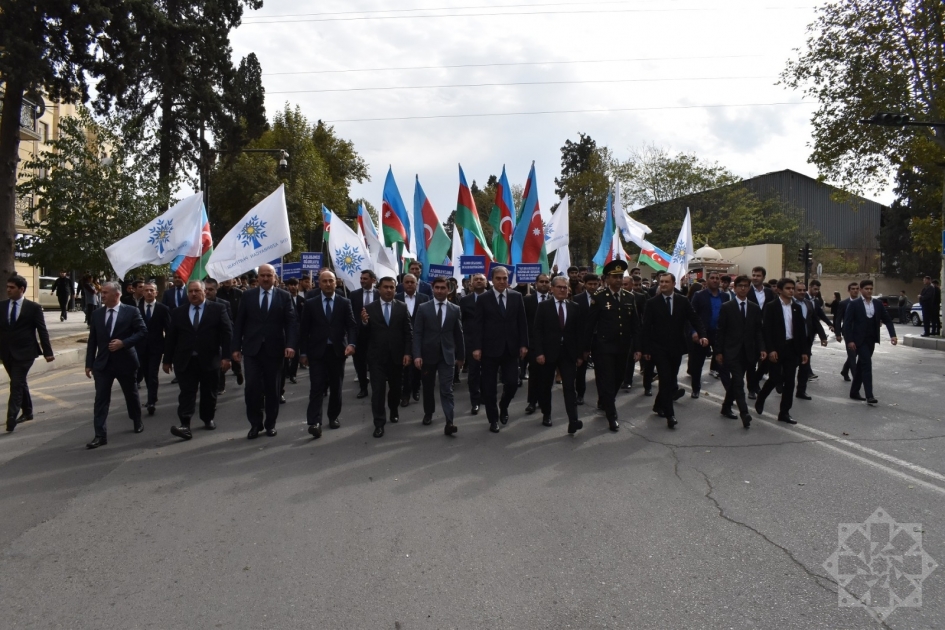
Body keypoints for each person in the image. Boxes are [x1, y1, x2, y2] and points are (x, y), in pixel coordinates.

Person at [231, 263, 299, 439]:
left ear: (274, 277)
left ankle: (270, 424)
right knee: (251, 388)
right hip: (252, 350)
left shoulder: (284, 297)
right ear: (258, 277)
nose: (266, 278)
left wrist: (290, 345)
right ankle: (255, 424)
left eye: (269, 275)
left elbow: (291, 322)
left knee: (272, 389)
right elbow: (239, 323)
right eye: (262, 275)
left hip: (274, 350)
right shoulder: (248, 296)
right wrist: (235, 347)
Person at [163, 280, 232, 440]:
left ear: (204, 292)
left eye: (197, 291)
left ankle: (207, 418)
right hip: (186, 360)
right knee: (187, 393)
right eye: (190, 291)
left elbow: (227, 334)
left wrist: (227, 357)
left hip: (210, 359)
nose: (193, 294)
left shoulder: (217, 309)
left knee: (209, 392)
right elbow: (171, 338)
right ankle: (185, 424)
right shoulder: (179, 312)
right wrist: (167, 360)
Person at [84, 281, 148, 448]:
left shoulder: (131, 311)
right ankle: (100, 435)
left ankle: (136, 419)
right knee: (101, 399)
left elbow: (142, 331)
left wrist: (124, 343)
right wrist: (89, 363)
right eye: (102, 292)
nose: (102, 295)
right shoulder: (97, 314)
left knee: (131, 394)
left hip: (125, 361)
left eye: (105, 292)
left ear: (116, 294)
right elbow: (93, 340)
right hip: (103, 364)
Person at [642, 272, 706, 429]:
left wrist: (702, 335)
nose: (662, 284)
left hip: (676, 348)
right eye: (660, 282)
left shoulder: (682, 301)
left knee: (670, 378)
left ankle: (658, 405)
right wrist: (646, 349)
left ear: (673, 283)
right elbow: (645, 328)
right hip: (659, 348)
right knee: (665, 378)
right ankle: (670, 415)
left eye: (666, 282)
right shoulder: (652, 303)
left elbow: (694, 318)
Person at [584, 260, 642, 431]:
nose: (618, 280)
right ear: (607, 278)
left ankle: (605, 399)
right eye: (614, 277)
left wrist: (638, 348)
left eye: (620, 277)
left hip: (623, 346)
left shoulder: (629, 297)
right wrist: (586, 348)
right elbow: (590, 324)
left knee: (618, 378)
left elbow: (636, 325)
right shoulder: (599, 298)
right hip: (604, 347)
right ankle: (612, 415)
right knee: (608, 379)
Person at [469, 266, 528, 433]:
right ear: (492, 280)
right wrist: (476, 347)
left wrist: (524, 344)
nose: (502, 281)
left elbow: (522, 323)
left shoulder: (517, 297)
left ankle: (504, 405)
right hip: (489, 350)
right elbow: (477, 325)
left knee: (512, 383)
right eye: (498, 279)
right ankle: (493, 419)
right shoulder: (483, 298)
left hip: (511, 349)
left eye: (504, 278)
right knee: (489, 388)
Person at [299, 270, 357, 439]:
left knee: (336, 386)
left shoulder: (344, 302)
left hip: (337, 351)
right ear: (319, 283)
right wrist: (303, 353)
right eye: (324, 281)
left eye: (330, 281)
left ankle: (333, 416)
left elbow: (351, 326)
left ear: (336, 282)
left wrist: (352, 344)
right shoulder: (311, 303)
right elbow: (304, 331)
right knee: (316, 386)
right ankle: (314, 422)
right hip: (316, 352)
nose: (327, 284)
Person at [532, 276, 584, 434]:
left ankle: (573, 420)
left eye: (565, 287)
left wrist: (580, 355)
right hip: (548, 354)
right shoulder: (544, 306)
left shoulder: (575, 307)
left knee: (569, 387)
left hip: (568, 354)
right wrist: (539, 352)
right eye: (559, 287)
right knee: (546, 386)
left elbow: (579, 333)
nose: (563, 290)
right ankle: (546, 414)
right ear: (552, 289)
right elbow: (537, 331)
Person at [1, 275, 54, 432]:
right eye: (7, 287)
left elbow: (42, 330)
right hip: (6, 353)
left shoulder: (33, 308)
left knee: (16, 383)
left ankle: (11, 417)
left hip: (26, 352)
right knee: (20, 381)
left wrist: (48, 352)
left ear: (21, 289)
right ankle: (28, 411)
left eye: (12, 287)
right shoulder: (1, 306)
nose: (8, 290)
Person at [412, 276, 464, 435]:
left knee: (446, 389)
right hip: (427, 356)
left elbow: (458, 334)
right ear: (433, 289)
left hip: (447, 355)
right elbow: (418, 333)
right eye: (437, 288)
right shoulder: (423, 308)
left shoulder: (455, 309)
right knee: (427, 388)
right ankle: (429, 413)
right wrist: (417, 355)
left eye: (443, 288)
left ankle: (450, 421)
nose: (440, 290)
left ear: (448, 290)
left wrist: (461, 356)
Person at [362, 277, 412, 438]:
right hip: (376, 358)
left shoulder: (402, 307)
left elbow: (408, 332)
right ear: (379, 289)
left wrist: (407, 353)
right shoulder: (369, 308)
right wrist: (363, 323)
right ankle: (379, 423)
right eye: (386, 287)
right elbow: (363, 335)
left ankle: (394, 409)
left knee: (395, 389)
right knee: (378, 392)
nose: (389, 290)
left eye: (392, 287)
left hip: (397, 357)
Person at [754, 278, 808, 425]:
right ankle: (761, 397)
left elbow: (801, 331)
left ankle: (784, 412)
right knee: (775, 378)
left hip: (792, 348)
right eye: (788, 288)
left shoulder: (796, 307)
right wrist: (770, 349)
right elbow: (767, 330)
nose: (791, 291)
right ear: (779, 290)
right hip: (777, 348)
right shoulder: (771, 307)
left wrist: (804, 351)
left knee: (790, 381)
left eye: (792, 288)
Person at [715, 275, 765, 428]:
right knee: (738, 381)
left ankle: (725, 407)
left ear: (749, 288)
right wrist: (718, 352)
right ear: (735, 288)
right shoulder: (727, 307)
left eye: (746, 286)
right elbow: (720, 331)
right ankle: (744, 413)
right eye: (740, 286)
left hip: (748, 352)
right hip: (731, 351)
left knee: (735, 382)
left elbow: (758, 331)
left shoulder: (754, 308)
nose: (743, 288)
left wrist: (762, 348)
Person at [844, 279, 898, 406]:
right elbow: (847, 323)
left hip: (871, 340)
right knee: (867, 365)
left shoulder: (878, 304)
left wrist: (893, 335)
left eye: (870, 289)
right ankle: (870, 396)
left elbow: (887, 320)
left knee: (861, 365)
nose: (869, 291)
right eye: (866, 289)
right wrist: (850, 340)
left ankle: (854, 391)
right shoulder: (855, 304)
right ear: (861, 290)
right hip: (859, 340)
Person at [687, 271, 730, 398]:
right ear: (707, 280)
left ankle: (730, 391)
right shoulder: (699, 295)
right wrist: (694, 332)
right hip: (702, 334)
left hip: (718, 335)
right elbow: (692, 316)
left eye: (717, 278)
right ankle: (696, 389)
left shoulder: (725, 297)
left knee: (722, 364)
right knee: (697, 364)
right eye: (712, 278)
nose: (715, 280)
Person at [136, 282, 170, 415]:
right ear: (143, 293)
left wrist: (168, 351)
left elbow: (168, 330)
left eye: (152, 290)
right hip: (141, 348)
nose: (149, 293)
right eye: (146, 290)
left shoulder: (163, 309)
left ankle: (151, 402)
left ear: (156, 293)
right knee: (145, 373)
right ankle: (153, 395)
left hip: (156, 347)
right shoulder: (136, 309)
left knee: (152, 373)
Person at [395, 273, 430, 406]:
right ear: (402, 284)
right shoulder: (396, 298)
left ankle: (416, 389)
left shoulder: (424, 298)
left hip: (420, 338)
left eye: (412, 282)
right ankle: (405, 395)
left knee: (417, 367)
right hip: (402, 339)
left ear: (416, 284)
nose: (409, 284)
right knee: (404, 368)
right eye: (407, 282)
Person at [523, 273, 552, 414]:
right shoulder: (527, 301)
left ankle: (543, 400)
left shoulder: (554, 300)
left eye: (547, 281)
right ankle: (532, 402)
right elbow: (523, 323)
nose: (544, 284)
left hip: (550, 344)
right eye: (542, 281)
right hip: (533, 343)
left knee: (546, 375)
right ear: (536, 283)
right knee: (534, 373)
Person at [793, 282, 827, 400]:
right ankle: (780, 383)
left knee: (804, 366)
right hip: (791, 341)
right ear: (793, 291)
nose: (802, 292)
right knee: (790, 366)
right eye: (799, 290)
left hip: (806, 340)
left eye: (803, 290)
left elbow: (815, 321)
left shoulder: (808, 304)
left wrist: (823, 336)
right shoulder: (789, 303)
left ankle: (801, 391)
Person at [459, 273, 487, 414]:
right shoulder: (464, 301)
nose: (478, 281)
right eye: (475, 279)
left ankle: (485, 396)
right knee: (474, 373)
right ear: (471, 283)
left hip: (489, 341)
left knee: (487, 372)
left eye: (481, 279)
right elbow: (461, 321)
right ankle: (474, 401)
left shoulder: (492, 298)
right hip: (471, 342)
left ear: (486, 282)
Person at [746, 266, 775, 398]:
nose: (755, 278)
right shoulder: (747, 291)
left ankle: (756, 381)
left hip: (767, 331)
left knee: (765, 361)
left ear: (763, 277)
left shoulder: (769, 292)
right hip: (751, 331)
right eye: (754, 275)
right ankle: (751, 388)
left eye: (758, 275)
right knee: (751, 362)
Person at [349, 269, 379, 398]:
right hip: (359, 335)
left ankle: (377, 389)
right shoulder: (354, 295)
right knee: (360, 364)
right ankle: (363, 388)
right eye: (361, 279)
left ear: (373, 280)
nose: (362, 281)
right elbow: (351, 315)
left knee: (375, 364)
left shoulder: (380, 294)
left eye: (365, 278)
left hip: (376, 335)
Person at [573, 273, 600, 404]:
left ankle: (602, 398)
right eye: (590, 284)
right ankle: (580, 394)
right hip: (583, 339)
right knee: (581, 368)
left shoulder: (603, 298)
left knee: (601, 370)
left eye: (595, 284)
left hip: (599, 339)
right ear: (584, 284)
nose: (592, 286)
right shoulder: (577, 299)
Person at [834, 282, 860, 381]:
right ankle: (856, 379)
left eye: (857, 289)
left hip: (860, 333)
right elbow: (838, 318)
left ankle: (845, 370)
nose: (855, 290)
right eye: (853, 289)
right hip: (848, 333)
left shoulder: (862, 303)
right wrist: (838, 333)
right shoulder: (843, 303)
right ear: (849, 291)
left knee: (854, 354)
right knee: (852, 356)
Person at [281, 277, 305, 388]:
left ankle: (293, 374)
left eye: (295, 285)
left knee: (296, 352)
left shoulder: (302, 300)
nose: (293, 287)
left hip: (299, 330)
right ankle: (285, 371)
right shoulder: (283, 298)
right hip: (286, 329)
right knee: (285, 351)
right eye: (290, 285)